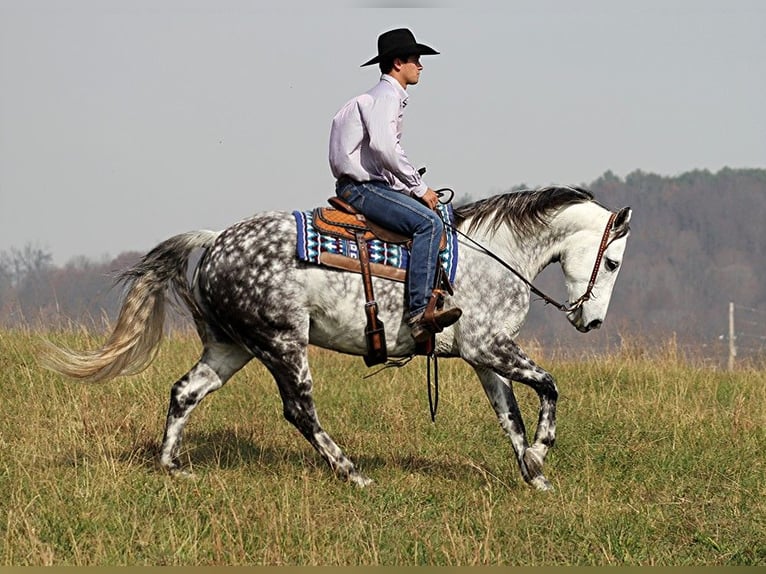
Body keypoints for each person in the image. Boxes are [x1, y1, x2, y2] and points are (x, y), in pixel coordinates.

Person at [328, 28, 462, 344]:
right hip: (361, 188)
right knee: (429, 223)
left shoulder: (376, 98)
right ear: (398, 62)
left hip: (365, 184)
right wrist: (418, 187)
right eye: (416, 59)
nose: (421, 65)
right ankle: (418, 313)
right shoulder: (386, 97)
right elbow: (385, 148)